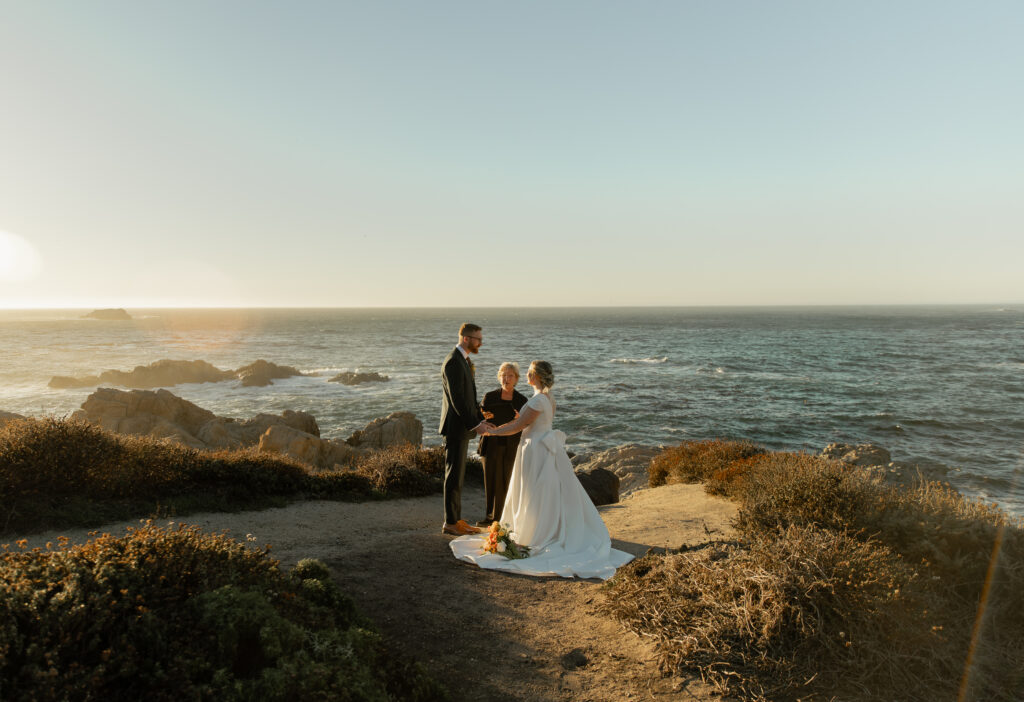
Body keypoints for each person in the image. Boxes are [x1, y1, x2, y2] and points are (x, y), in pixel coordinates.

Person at [450, 361, 634, 579]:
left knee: (532, 493)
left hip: (535, 451)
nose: (526, 375)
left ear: (534, 376)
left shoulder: (537, 400)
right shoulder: (547, 398)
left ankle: (535, 533)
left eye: (528, 372)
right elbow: (530, 423)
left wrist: (492, 432)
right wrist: (516, 422)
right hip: (540, 449)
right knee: (542, 493)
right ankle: (540, 529)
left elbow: (517, 427)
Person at [439, 323, 493, 536]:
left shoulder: (463, 360)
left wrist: (481, 418)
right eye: (478, 338)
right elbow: (458, 399)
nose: (481, 342)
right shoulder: (453, 361)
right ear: (466, 339)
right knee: (453, 475)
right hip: (455, 428)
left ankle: (456, 519)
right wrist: (476, 425)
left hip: (462, 426)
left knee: (458, 475)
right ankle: (450, 523)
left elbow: (468, 398)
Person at [476, 361, 528, 527]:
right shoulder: (489, 396)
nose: (506, 378)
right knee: (490, 480)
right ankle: (490, 517)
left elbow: (526, 423)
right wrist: (484, 419)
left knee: (508, 481)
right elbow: (479, 415)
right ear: (499, 377)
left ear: (516, 379)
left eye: (510, 375)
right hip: (490, 443)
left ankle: (506, 518)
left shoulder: (522, 400)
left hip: (512, 445)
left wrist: (520, 419)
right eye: (503, 375)